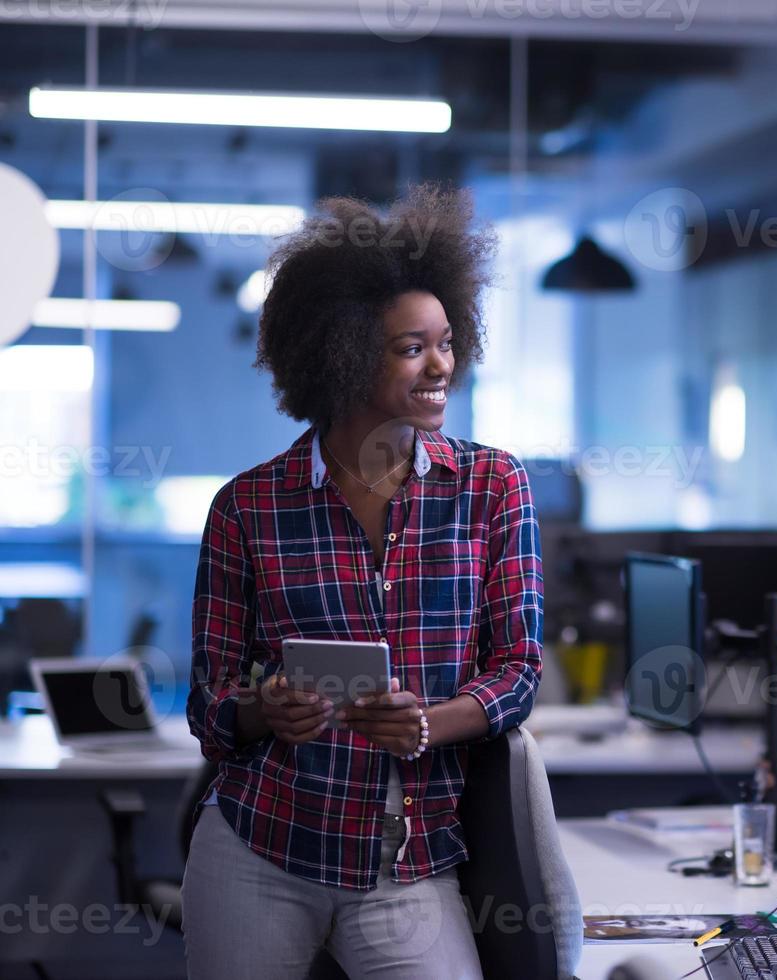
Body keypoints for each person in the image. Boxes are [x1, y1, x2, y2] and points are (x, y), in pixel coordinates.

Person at [183, 185, 541, 979]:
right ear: (340, 355)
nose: (440, 364)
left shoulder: (490, 487)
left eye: (445, 341)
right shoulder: (248, 506)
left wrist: (428, 724)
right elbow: (209, 703)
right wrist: (261, 708)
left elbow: (519, 671)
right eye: (411, 348)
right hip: (261, 847)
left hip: (406, 860)